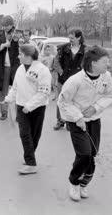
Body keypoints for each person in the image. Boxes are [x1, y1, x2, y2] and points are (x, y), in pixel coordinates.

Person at [57, 46, 112, 202]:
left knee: (91, 155)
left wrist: (96, 107)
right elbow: (63, 102)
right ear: (93, 63)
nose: (107, 66)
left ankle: (83, 184)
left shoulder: (107, 77)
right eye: (104, 62)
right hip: (77, 121)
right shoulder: (75, 80)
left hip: (94, 120)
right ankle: (74, 182)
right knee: (84, 154)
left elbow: (109, 95)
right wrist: (78, 117)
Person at [4, 44, 52, 174]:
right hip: (21, 106)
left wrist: (30, 106)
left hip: (37, 108)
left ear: (28, 56)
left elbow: (44, 92)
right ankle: (31, 163)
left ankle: (30, 155)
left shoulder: (43, 70)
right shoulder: (20, 68)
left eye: (20, 54)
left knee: (35, 135)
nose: (18, 56)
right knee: (24, 134)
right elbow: (15, 88)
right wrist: (8, 98)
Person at [53, 29, 86, 131]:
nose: (70, 40)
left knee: (75, 102)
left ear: (79, 37)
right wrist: (61, 72)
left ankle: (72, 122)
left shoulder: (85, 50)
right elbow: (56, 62)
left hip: (78, 82)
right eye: (69, 38)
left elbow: (86, 65)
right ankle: (60, 121)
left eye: (72, 38)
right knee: (61, 101)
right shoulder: (63, 48)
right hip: (62, 80)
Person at [0, 15, 20, 120]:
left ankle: (18, 115)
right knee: (3, 91)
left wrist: (16, 41)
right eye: (4, 25)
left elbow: (18, 51)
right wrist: (2, 46)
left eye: (7, 25)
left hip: (14, 67)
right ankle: (4, 112)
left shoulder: (16, 34)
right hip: (2, 67)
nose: (5, 28)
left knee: (17, 90)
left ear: (12, 25)